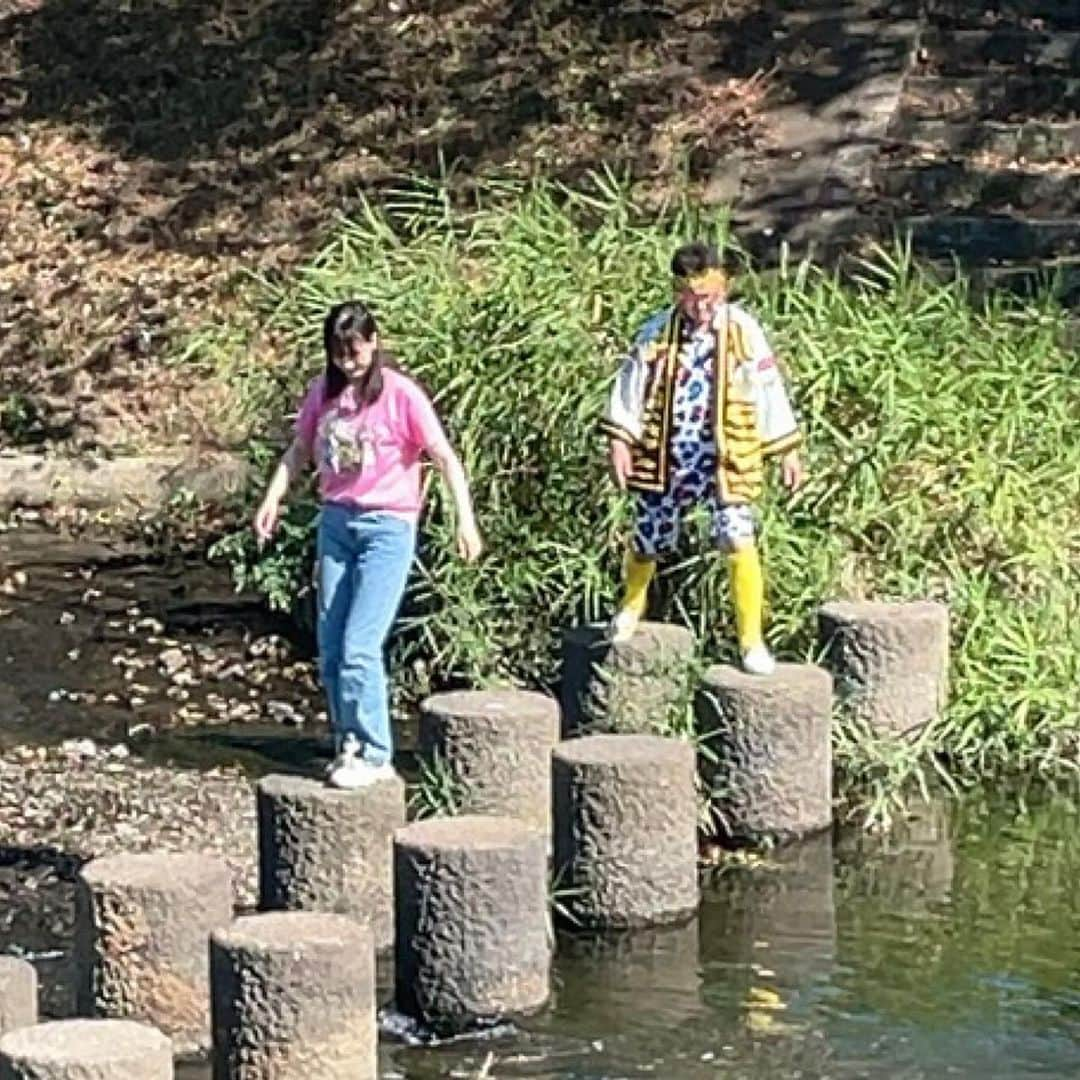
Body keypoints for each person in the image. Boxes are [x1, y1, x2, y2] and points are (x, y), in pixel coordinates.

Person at [254, 300, 482, 788]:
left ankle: (377, 751)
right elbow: (299, 449)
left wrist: (466, 521)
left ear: (373, 343)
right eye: (339, 353)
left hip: (388, 527)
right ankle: (348, 742)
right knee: (332, 643)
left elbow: (443, 457)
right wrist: (273, 498)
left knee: (361, 644)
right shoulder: (326, 394)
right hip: (337, 522)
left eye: (355, 351)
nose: (348, 362)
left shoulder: (401, 396)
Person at [600, 241, 803, 675]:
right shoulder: (656, 331)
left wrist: (786, 449)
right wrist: (620, 440)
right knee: (649, 535)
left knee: (736, 536)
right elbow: (630, 387)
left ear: (723, 289)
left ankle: (751, 639)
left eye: (707, 298)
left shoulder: (744, 331)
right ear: (678, 293)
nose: (700, 307)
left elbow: (769, 390)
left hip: (725, 455)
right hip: (667, 454)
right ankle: (630, 608)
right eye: (691, 298)